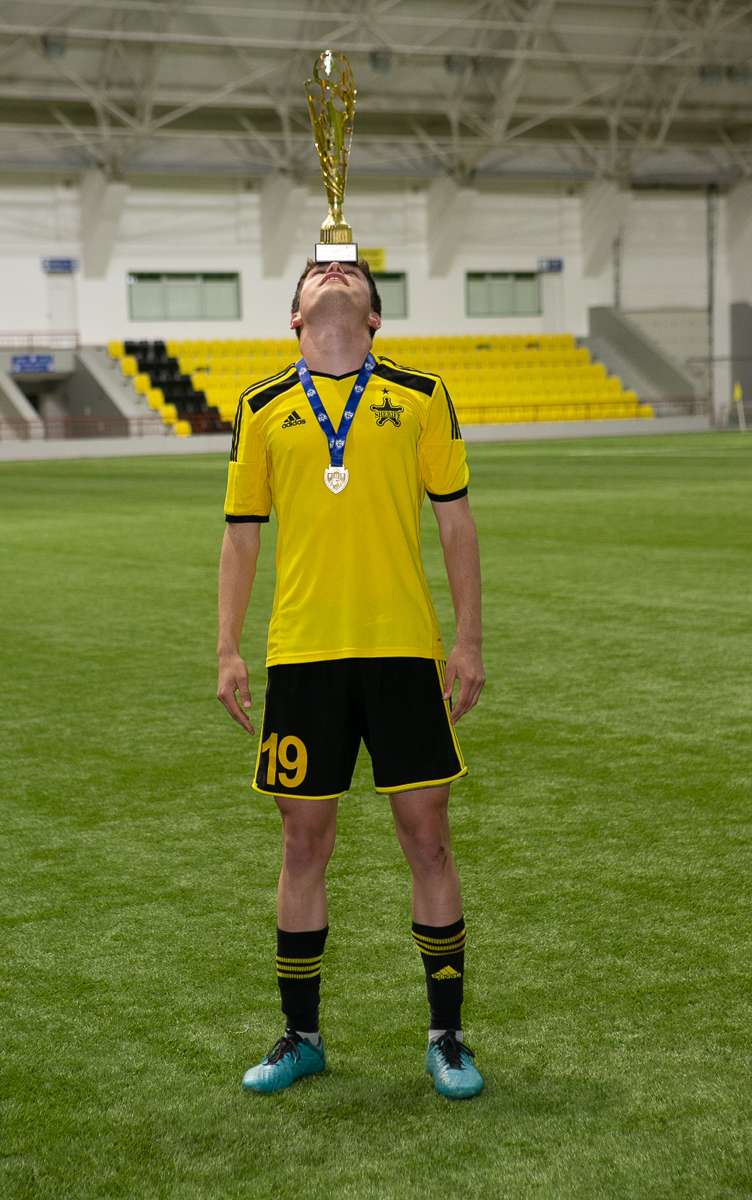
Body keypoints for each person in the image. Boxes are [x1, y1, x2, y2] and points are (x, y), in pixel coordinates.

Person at [217, 256, 485, 1099]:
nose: (333, 270)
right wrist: (227, 647)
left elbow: (457, 522)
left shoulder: (422, 395)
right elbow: (241, 532)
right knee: (302, 843)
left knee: (428, 837)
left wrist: (468, 639)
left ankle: (447, 1037)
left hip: (402, 649)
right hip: (303, 655)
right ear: (295, 317)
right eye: (316, 271)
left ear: (374, 316)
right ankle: (301, 1036)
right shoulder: (261, 406)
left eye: (349, 271)